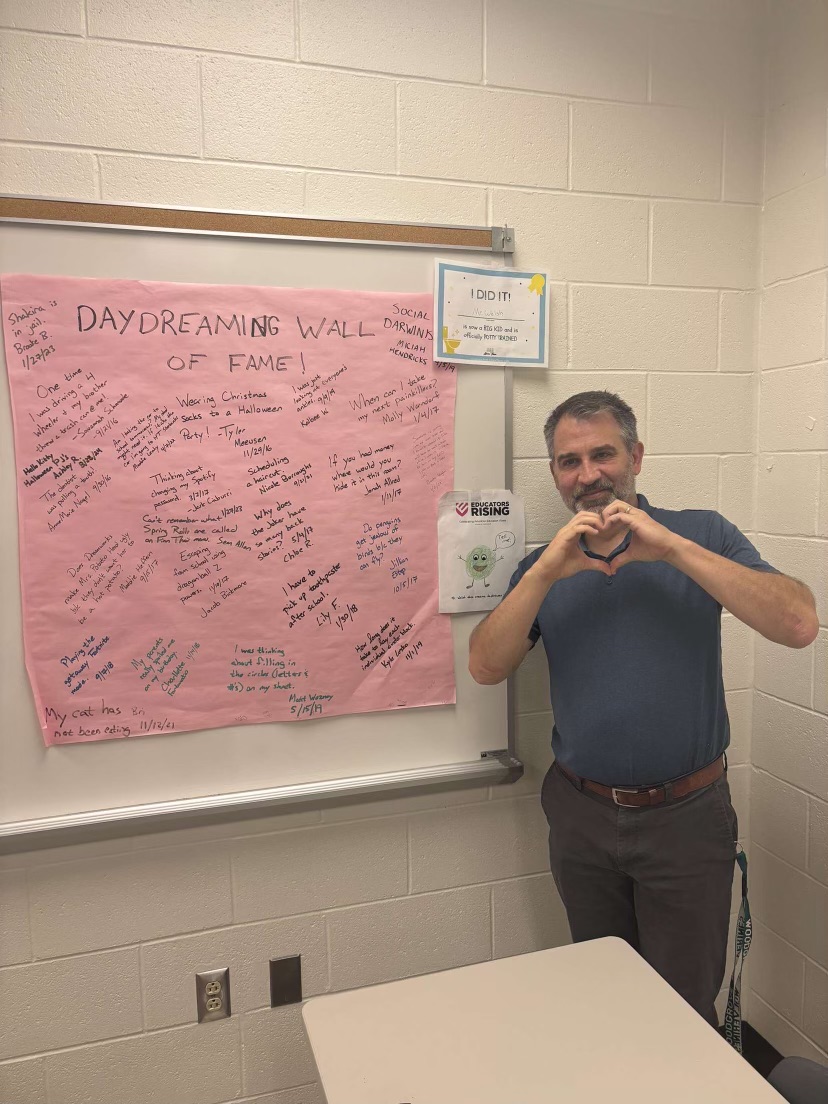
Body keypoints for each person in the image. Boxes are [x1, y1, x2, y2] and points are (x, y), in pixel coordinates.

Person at [469, 390, 819, 1026]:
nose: (588, 474)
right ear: (555, 475)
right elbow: (486, 665)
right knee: (602, 997)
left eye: (603, 453)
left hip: (686, 819)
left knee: (684, 1011)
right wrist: (546, 572)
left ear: (635, 455)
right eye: (568, 461)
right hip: (581, 817)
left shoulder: (702, 534)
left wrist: (673, 549)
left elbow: (797, 623)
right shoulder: (541, 567)